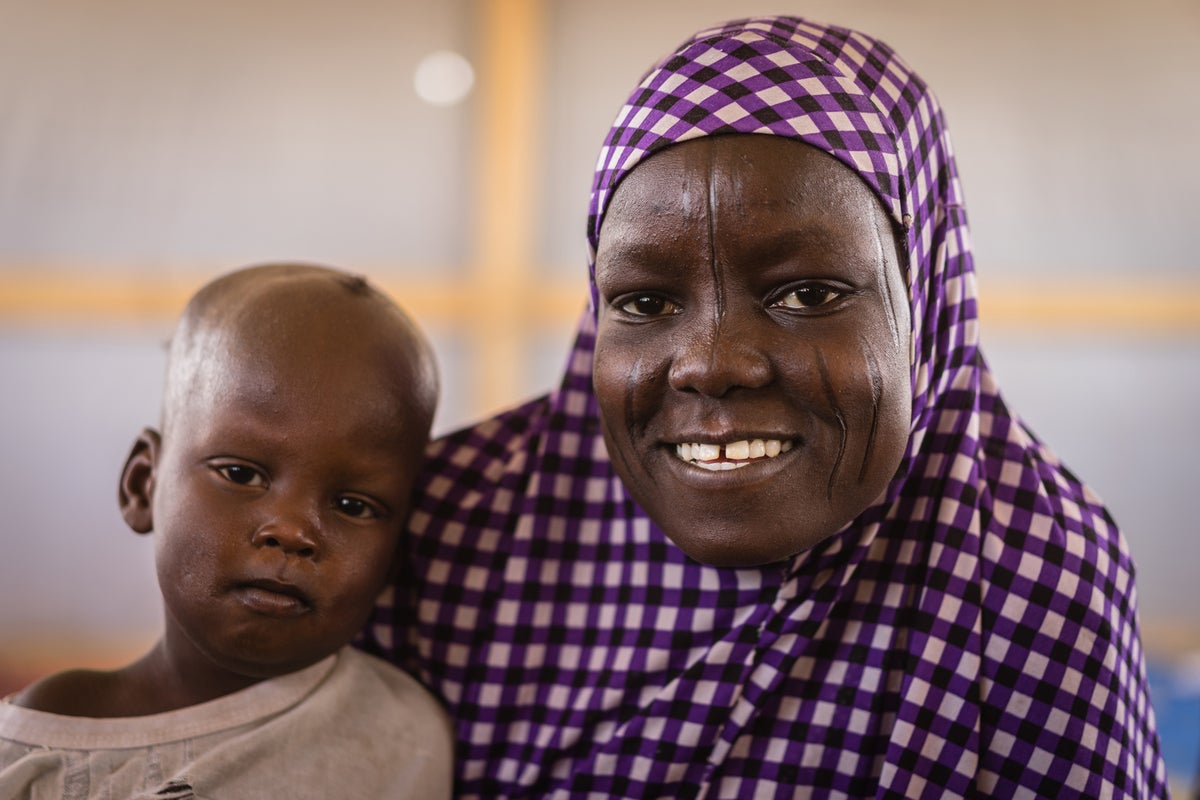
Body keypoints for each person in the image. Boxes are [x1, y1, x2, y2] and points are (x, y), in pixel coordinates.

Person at [364, 15, 1169, 799]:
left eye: (809, 293)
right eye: (644, 302)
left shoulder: (1029, 581)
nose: (713, 365)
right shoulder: (449, 529)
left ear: (925, 306)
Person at [0, 264, 452, 798]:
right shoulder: (43, 752)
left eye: (353, 505)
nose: (292, 531)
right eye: (240, 474)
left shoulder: (411, 734)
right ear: (143, 486)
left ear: (395, 557)